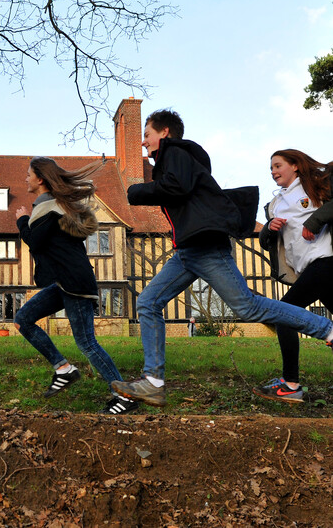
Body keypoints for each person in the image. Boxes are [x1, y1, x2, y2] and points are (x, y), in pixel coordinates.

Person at [111, 109, 333, 407]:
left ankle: (327, 330)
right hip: (188, 250)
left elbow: (176, 187)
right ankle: (152, 382)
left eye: (147, 135)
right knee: (148, 302)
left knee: (249, 307)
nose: (143, 143)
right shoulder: (176, 159)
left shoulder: (174, 151)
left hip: (205, 247)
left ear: (164, 133)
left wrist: (136, 191)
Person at [14, 156, 138, 415]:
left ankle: (125, 396)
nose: (25, 179)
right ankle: (63, 368)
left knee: (87, 344)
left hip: (74, 283)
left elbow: (34, 242)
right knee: (23, 319)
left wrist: (22, 220)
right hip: (64, 283)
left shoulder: (50, 211)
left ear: (40, 179)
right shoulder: (51, 207)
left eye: (28, 174)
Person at [252, 149, 333, 403]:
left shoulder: (315, 186)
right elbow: (267, 243)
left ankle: (290, 384)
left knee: (284, 313)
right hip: (307, 269)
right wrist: (268, 228)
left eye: (278, 166)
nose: (273, 171)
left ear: (295, 166)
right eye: (271, 168)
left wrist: (315, 221)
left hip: (325, 259)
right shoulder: (275, 204)